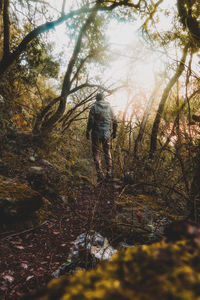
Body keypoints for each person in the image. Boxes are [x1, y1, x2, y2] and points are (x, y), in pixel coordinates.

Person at [86, 92, 117, 182]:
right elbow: (115, 120)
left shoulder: (94, 107)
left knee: (96, 153)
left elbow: (91, 121)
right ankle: (109, 172)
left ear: (96, 99)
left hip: (96, 133)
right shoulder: (110, 107)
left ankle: (100, 174)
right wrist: (114, 132)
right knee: (107, 151)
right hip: (107, 133)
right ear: (103, 98)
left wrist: (88, 131)